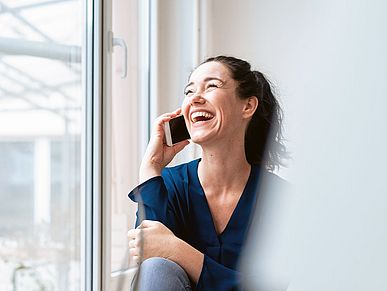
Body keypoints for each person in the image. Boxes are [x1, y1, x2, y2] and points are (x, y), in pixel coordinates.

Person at [127, 55, 286, 291]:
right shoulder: (170, 185)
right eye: (189, 91)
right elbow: (151, 255)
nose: (196, 98)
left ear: (248, 106)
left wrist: (178, 250)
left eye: (211, 86)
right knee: (156, 268)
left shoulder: (280, 198)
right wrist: (151, 166)